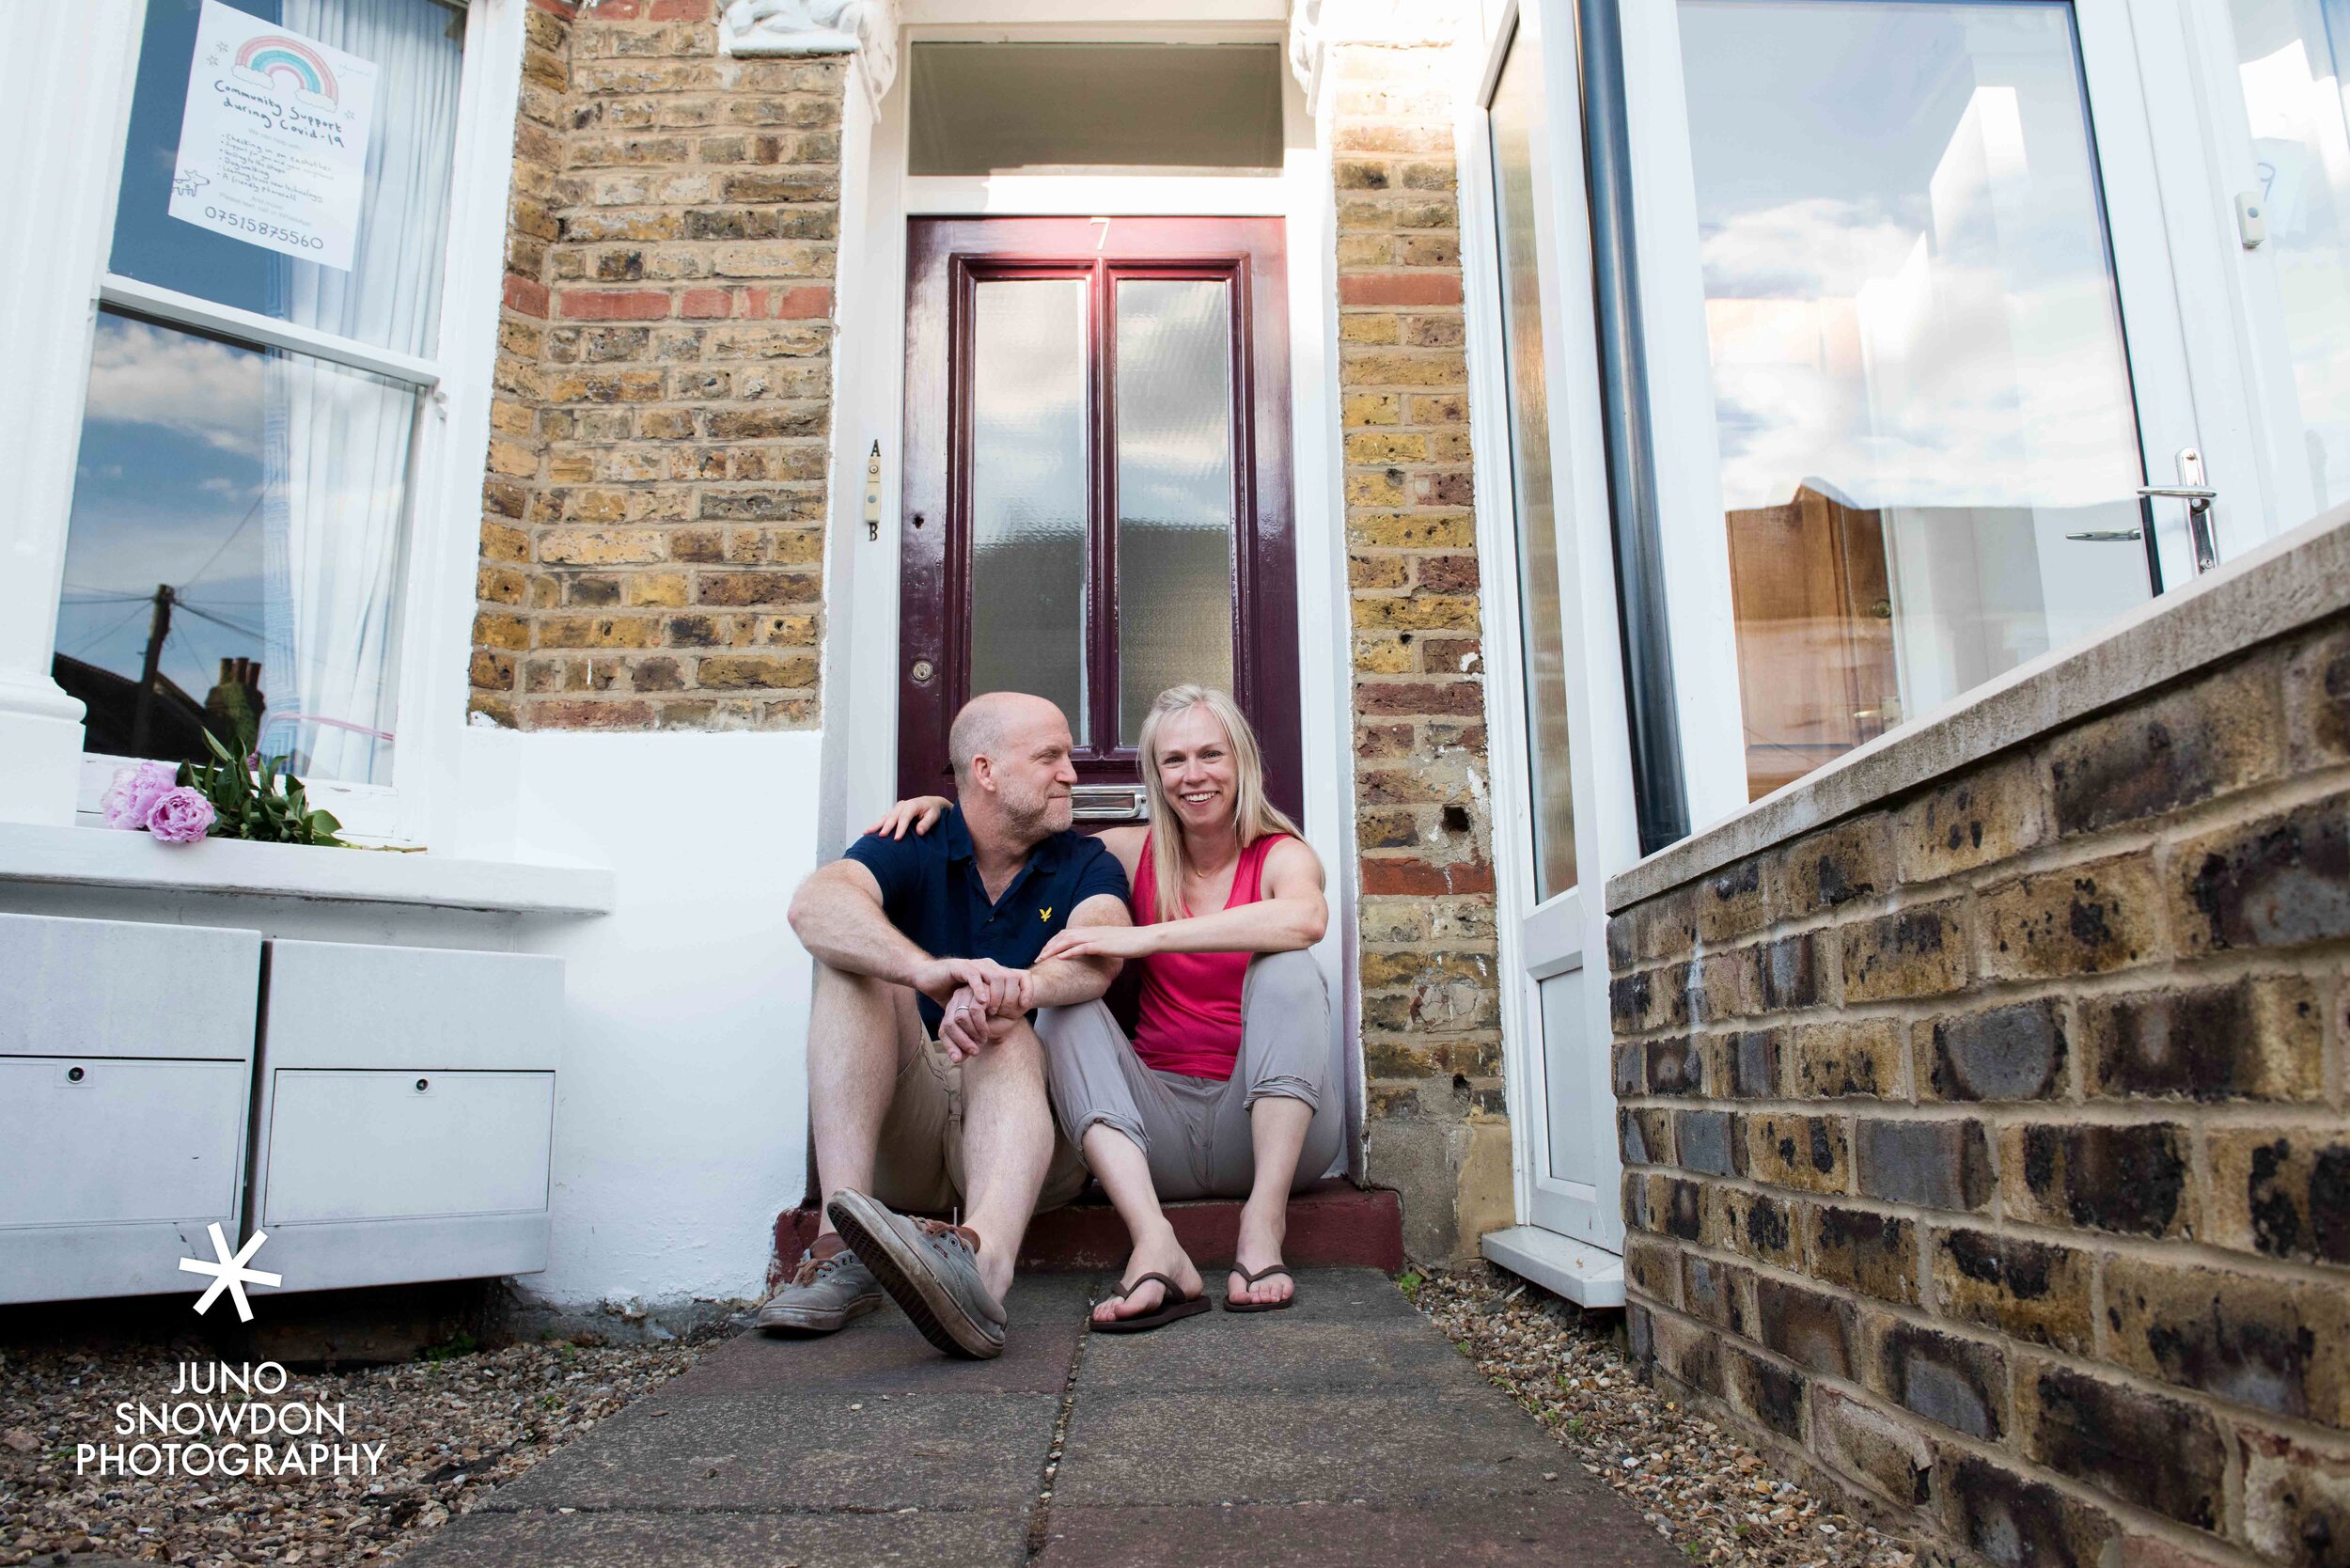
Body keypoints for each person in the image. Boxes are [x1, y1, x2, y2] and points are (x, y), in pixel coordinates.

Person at [870, 684, 1338, 1331]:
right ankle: (1155, 1240)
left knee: (1288, 966)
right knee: (1068, 1001)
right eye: (1174, 761)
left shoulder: (1282, 855)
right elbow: (1025, 821)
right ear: (1155, 776)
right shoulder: (1129, 850)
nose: (1193, 776)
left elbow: (1305, 919)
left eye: (1211, 755)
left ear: (1243, 763)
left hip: (1270, 1132)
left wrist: (1141, 937)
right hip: (1157, 1131)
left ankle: (1262, 1225)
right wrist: (945, 809)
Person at [761, 691, 1133, 1359]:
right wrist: (927, 971)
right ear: (986, 771)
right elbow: (813, 908)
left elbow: (1100, 954)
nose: (1071, 774)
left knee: (1003, 1023)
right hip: (909, 1130)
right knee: (853, 969)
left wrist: (1006, 987)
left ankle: (982, 1271)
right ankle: (840, 1246)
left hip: (1023, 1148)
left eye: (1068, 758)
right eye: (1050, 757)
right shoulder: (914, 841)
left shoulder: (1086, 862)